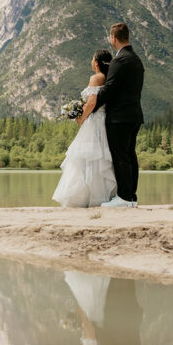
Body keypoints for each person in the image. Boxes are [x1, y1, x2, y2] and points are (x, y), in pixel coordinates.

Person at [51, 50, 118, 208]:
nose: (91, 61)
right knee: (101, 157)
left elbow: (92, 102)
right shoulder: (110, 79)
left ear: (96, 62)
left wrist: (81, 118)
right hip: (106, 121)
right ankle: (102, 196)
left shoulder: (95, 78)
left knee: (86, 158)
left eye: (92, 58)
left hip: (94, 121)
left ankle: (84, 198)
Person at [94, 22, 144, 208]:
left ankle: (123, 197)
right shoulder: (136, 59)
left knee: (120, 156)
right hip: (134, 115)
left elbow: (109, 90)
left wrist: (90, 107)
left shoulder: (119, 60)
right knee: (130, 155)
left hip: (119, 118)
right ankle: (131, 197)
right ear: (127, 37)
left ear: (113, 38)